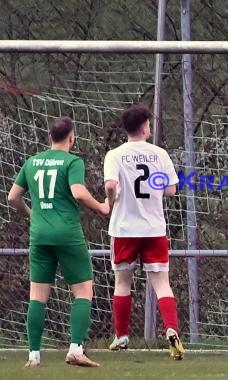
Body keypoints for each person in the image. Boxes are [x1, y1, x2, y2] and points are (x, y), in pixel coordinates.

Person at [7, 116, 109, 368]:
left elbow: (12, 197)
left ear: (50, 137)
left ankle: (33, 356)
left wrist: (32, 214)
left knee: (37, 296)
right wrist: (102, 207)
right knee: (83, 290)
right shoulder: (72, 161)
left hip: (39, 235)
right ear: (72, 137)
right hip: (67, 234)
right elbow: (78, 192)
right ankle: (75, 349)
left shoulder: (32, 162)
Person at [103, 104, 184, 360]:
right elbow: (172, 189)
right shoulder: (159, 154)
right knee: (161, 283)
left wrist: (110, 200)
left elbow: (111, 185)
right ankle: (171, 328)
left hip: (125, 228)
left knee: (123, 282)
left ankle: (122, 336)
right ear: (145, 127)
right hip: (153, 228)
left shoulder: (115, 155)